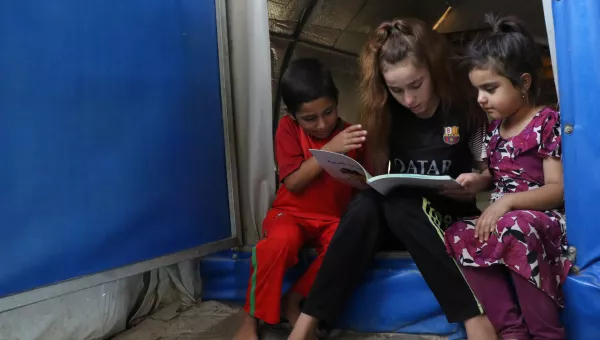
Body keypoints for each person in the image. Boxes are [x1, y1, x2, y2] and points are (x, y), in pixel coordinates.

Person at [288, 19, 498, 340]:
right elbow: (380, 176)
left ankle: (473, 317)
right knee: (369, 202)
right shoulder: (386, 114)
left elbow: (490, 173)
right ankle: (306, 325)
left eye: (416, 85)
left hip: (446, 216)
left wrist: (476, 183)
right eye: (396, 90)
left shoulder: (466, 110)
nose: (409, 99)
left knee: (399, 204)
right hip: (399, 220)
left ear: (434, 70)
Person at [444, 14, 571, 340]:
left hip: (541, 219)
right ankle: (511, 330)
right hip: (507, 218)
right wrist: (479, 180)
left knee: (513, 227)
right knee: (458, 232)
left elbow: (556, 191)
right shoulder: (494, 130)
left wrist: (506, 204)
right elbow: (496, 175)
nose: (480, 99)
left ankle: (545, 333)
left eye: (490, 88)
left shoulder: (547, 122)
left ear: (524, 83)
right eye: (477, 90)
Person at [233, 58, 367, 340]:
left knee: (344, 249)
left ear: (337, 102)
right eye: (310, 118)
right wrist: (330, 149)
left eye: (328, 112)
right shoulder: (288, 129)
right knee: (276, 245)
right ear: (293, 116)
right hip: (290, 213)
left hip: (332, 219)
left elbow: (363, 186)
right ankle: (251, 319)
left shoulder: (352, 134)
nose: (321, 123)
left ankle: (293, 300)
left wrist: (364, 180)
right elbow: (293, 182)